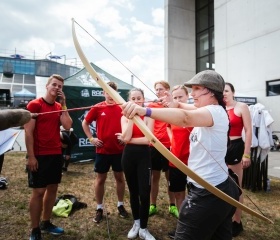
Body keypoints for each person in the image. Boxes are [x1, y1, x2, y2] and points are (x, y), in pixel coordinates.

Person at [121, 70, 239, 240]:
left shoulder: (213, 112)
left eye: (197, 89)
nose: (192, 93)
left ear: (212, 92)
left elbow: (184, 118)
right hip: (218, 188)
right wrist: (173, 103)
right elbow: (184, 107)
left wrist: (144, 110)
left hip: (208, 192)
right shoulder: (211, 109)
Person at [24, 74, 73, 240]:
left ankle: (46, 222)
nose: (57, 88)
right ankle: (35, 229)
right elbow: (28, 132)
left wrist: (64, 104)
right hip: (39, 154)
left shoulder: (59, 106)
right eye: (54, 84)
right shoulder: (35, 105)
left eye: (60, 86)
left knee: (52, 188)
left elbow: (67, 125)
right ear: (47, 85)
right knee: (38, 191)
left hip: (55, 154)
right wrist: (31, 157)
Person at [82, 81, 128, 224]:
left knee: (119, 178)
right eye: (107, 92)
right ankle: (99, 208)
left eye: (112, 92)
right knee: (100, 179)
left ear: (116, 93)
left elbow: (131, 122)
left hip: (119, 151)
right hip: (102, 151)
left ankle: (120, 205)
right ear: (104, 93)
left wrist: (126, 137)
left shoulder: (122, 107)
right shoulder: (97, 107)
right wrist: (91, 138)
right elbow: (85, 123)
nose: (110, 95)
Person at [116, 88, 155, 240]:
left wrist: (128, 140)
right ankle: (137, 223)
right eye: (133, 98)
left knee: (145, 193)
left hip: (144, 156)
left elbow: (148, 140)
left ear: (143, 99)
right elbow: (126, 136)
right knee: (133, 192)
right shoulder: (124, 117)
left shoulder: (149, 115)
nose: (137, 100)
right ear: (129, 101)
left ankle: (144, 228)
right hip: (129, 156)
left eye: (139, 98)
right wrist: (131, 118)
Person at [223, 82, 252, 237]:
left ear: (233, 92)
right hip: (221, 147)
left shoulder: (241, 107)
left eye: (227, 91)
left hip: (235, 146)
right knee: (222, 184)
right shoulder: (219, 108)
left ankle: (237, 221)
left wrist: (246, 154)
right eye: (221, 91)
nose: (224, 94)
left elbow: (248, 131)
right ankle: (225, 218)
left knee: (236, 186)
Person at [147, 81, 177, 217]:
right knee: (155, 177)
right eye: (156, 89)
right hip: (154, 145)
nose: (158, 91)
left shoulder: (172, 105)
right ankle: (152, 205)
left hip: (169, 145)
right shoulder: (152, 105)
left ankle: (173, 205)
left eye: (161, 89)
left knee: (170, 177)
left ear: (167, 90)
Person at [166, 85, 192, 239]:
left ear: (187, 96)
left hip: (192, 162)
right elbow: (168, 127)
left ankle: (193, 223)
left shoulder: (193, 113)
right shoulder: (173, 114)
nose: (177, 100)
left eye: (180, 97)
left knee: (194, 193)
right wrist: (171, 140)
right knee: (178, 192)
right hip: (175, 159)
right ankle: (183, 224)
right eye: (175, 97)